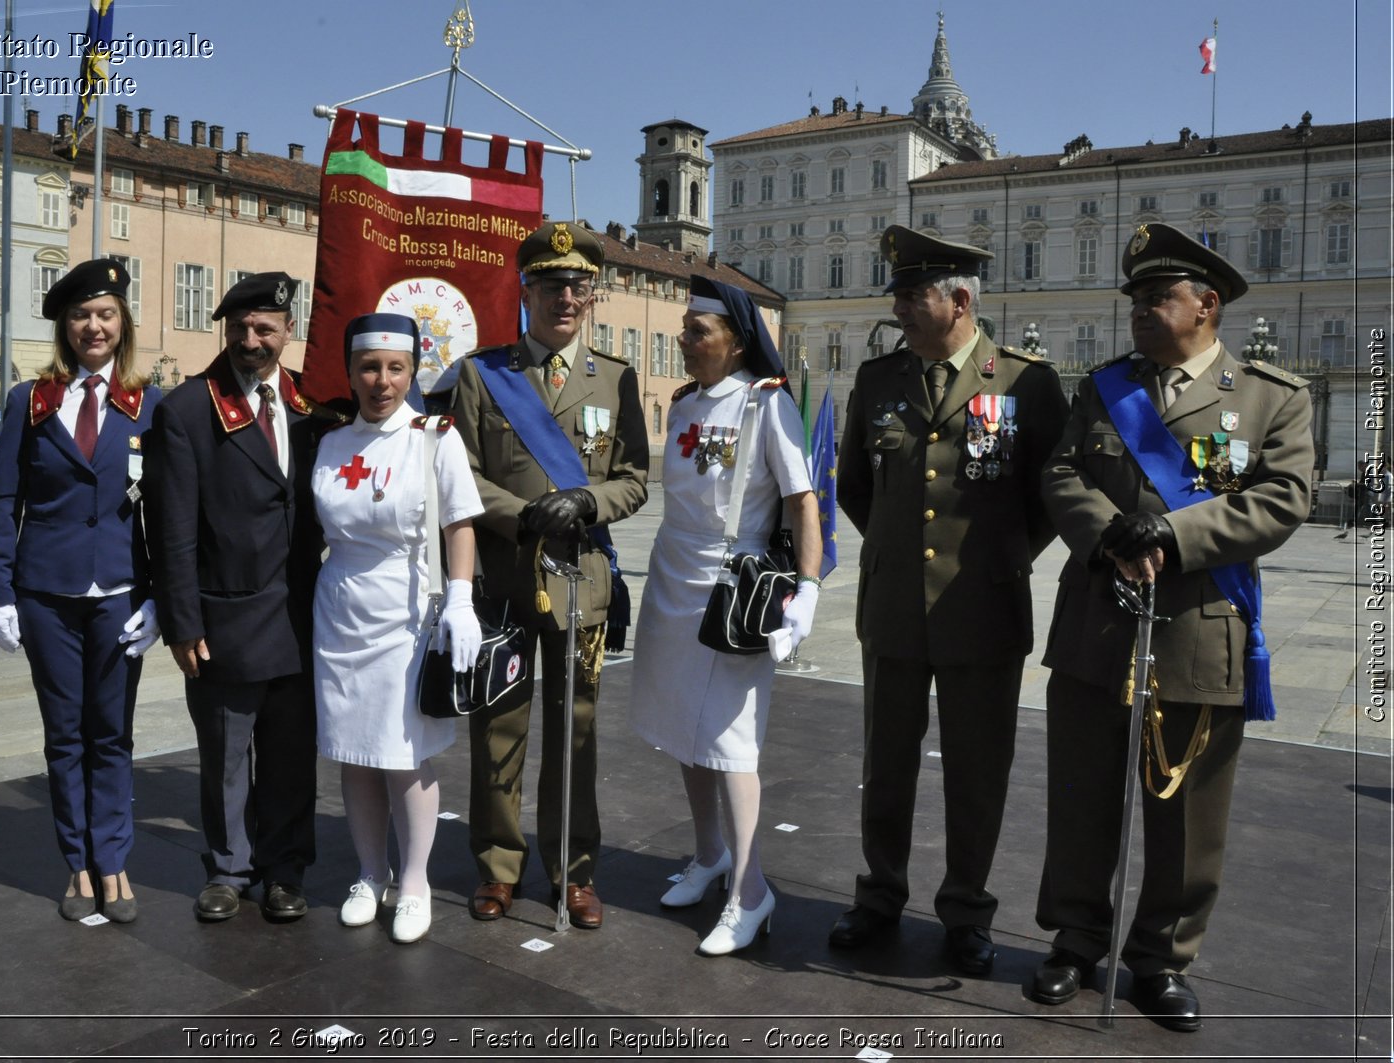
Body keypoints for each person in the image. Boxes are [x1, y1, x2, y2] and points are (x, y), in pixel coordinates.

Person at [1031, 223, 1313, 1031]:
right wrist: (1108, 531)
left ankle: (1160, 960)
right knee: (1082, 796)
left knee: (1186, 811)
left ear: (1207, 304)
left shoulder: (1270, 396)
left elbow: (1284, 497)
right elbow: (1061, 469)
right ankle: (1076, 941)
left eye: (1159, 298)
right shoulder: (1105, 386)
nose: (1141, 313)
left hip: (1200, 629)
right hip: (1098, 626)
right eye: (1136, 301)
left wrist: (1174, 535)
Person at [831, 226, 1069, 976]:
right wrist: (901, 556)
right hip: (894, 607)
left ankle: (966, 909)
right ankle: (880, 895)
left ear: (959, 300)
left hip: (984, 610)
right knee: (887, 762)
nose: (898, 308)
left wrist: (995, 562)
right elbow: (854, 487)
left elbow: (1050, 499)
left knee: (978, 769)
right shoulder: (879, 380)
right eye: (899, 294)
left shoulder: (1026, 383)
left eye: (911, 295)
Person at [449, 221, 649, 930]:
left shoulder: (617, 378)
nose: (566, 297)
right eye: (551, 284)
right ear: (525, 289)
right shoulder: (483, 374)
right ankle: (499, 865)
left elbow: (634, 479)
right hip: (503, 577)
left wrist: (588, 500)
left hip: (581, 581)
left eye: (578, 285)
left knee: (577, 734)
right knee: (498, 729)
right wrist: (521, 513)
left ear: (592, 295)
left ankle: (574, 869)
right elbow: (461, 474)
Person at [628, 275, 820, 955]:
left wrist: (809, 588)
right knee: (688, 731)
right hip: (671, 583)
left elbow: (802, 499)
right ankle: (709, 854)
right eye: (683, 328)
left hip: (732, 595)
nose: (682, 339)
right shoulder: (683, 407)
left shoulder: (767, 406)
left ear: (736, 344)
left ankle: (751, 888)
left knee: (733, 745)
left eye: (696, 331)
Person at [0, 258, 161, 921]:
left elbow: (163, 511)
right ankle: (77, 863)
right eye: (81, 315)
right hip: (45, 593)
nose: (94, 325)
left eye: (106, 313)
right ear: (65, 325)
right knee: (64, 734)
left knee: (112, 733)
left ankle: (114, 860)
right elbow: (4, 502)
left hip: (119, 593)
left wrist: (158, 596)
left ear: (122, 322)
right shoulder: (31, 400)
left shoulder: (148, 403)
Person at [143, 272, 325, 923]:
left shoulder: (311, 405)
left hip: (300, 618)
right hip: (223, 617)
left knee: (289, 757)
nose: (252, 339)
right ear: (225, 328)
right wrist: (181, 621)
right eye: (240, 327)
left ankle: (284, 870)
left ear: (286, 330)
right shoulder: (187, 409)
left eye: (265, 327)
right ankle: (226, 868)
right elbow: (170, 529)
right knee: (225, 755)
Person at [311, 313, 484, 944]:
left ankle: (414, 881)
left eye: (395, 368)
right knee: (355, 754)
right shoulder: (331, 444)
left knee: (404, 756)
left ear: (413, 371)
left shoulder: (435, 438)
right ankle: (369, 871)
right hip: (339, 608)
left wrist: (460, 599)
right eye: (368, 367)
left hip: (407, 613)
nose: (381, 381)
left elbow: (460, 526)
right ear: (350, 371)